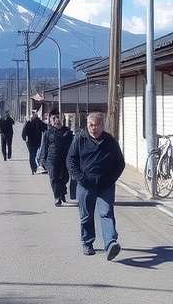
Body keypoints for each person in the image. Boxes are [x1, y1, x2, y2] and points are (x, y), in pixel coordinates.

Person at [66, 112, 125, 260]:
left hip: (105, 185)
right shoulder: (80, 139)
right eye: (91, 125)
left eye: (97, 125)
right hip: (85, 185)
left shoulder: (110, 141)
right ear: (87, 125)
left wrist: (111, 180)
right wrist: (80, 178)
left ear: (102, 125)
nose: (94, 128)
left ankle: (111, 243)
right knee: (86, 216)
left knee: (107, 213)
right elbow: (71, 161)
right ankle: (87, 243)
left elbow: (120, 163)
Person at [40, 110, 73, 206]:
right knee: (54, 178)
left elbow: (73, 147)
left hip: (65, 159)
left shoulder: (67, 132)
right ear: (50, 120)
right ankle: (57, 197)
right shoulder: (48, 133)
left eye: (57, 118)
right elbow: (44, 147)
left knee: (65, 178)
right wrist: (42, 159)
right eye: (53, 118)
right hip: (52, 159)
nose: (56, 120)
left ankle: (62, 191)